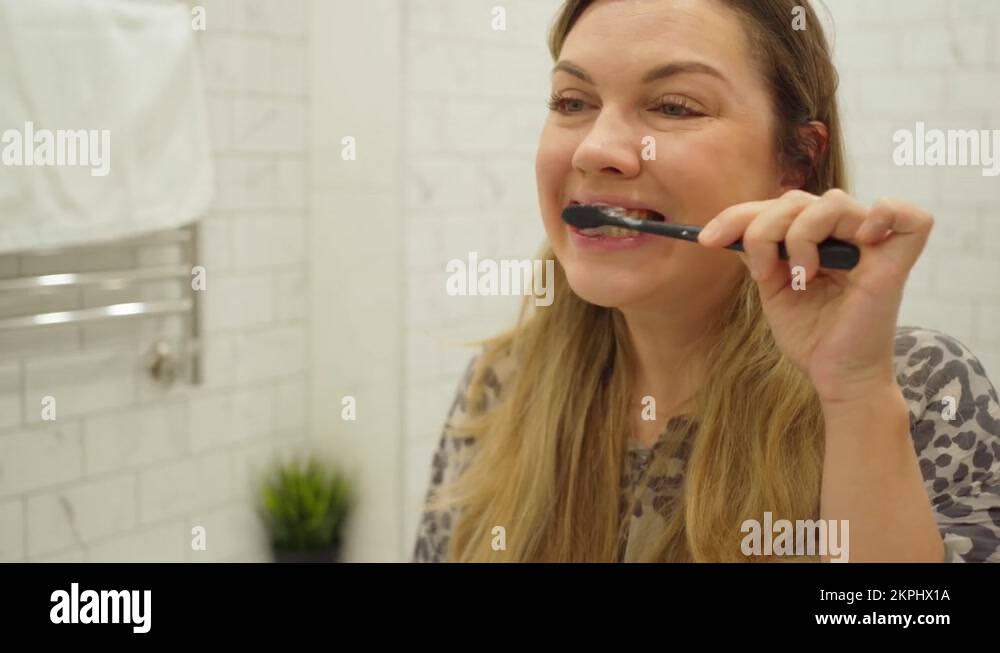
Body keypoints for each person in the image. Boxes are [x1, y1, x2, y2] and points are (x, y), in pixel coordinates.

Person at [412, 0, 1000, 562]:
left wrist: (857, 400)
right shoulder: (500, 388)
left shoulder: (921, 392)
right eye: (572, 101)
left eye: (672, 106)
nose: (595, 150)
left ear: (794, 163)